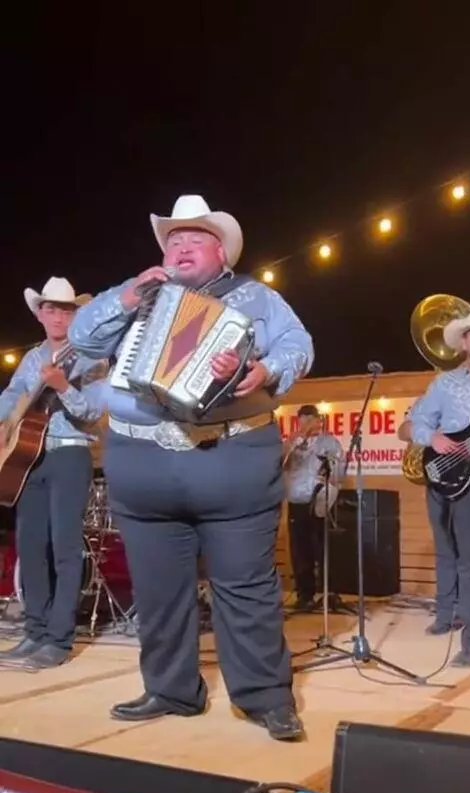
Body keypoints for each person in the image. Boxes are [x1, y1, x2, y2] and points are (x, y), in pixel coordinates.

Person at [68, 194, 314, 740]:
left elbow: (299, 344)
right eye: (172, 239)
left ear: (221, 251)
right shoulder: (135, 295)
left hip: (229, 458)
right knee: (157, 590)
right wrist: (126, 298)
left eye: (193, 237)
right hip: (140, 460)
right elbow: (82, 340)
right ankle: (170, 690)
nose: (179, 245)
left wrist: (267, 370)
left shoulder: (256, 297)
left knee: (246, 586)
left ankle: (265, 697)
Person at [0, 278, 107, 668]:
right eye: (51, 309)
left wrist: (63, 387)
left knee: (64, 550)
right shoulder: (31, 357)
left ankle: (59, 640)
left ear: (76, 315)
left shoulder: (91, 356)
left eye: (66, 310)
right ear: (40, 313)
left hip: (70, 456)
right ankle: (35, 631)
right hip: (29, 459)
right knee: (29, 549)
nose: (58, 316)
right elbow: (13, 395)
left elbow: (94, 412)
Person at [410, 307, 470, 666]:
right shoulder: (446, 383)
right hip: (442, 471)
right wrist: (431, 438)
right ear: (464, 342)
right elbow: (412, 422)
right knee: (446, 551)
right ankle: (445, 615)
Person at [398, 402, 462, 635]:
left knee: (469, 553)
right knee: (444, 551)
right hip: (437, 483)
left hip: (469, 482)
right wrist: (428, 431)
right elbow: (402, 431)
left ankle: (466, 614)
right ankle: (445, 616)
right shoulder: (432, 399)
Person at [284, 404, 345, 610]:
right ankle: (305, 595)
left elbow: (339, 473)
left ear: (319, 420)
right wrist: (297, 439)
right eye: (303, 419)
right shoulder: (292, 442)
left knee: (323, 548)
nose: (308, 423)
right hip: (297, 502)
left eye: (311, 418)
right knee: (300, 552)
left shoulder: (329, 442)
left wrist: (330, 478)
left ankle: (330, 593)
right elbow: (279, 462)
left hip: (320, 502)